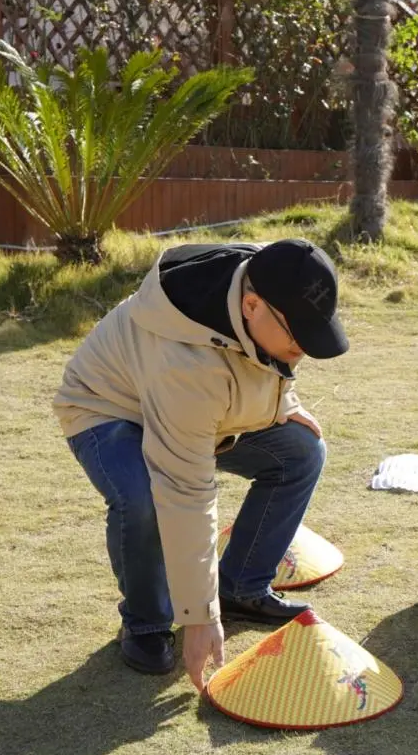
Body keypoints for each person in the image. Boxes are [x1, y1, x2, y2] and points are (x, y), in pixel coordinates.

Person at [52, 238, 348, 691]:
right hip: (108, 408)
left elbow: (265, 358)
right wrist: (199, 616)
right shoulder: (186, 364)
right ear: (251, 305)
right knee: (145, 496)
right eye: (297, 336)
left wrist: (284, 402)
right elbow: (186, 490)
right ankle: (147, 624)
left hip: (196, 409)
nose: (302, 349)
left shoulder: (270, 275)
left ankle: (241, 587)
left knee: (301, 452)